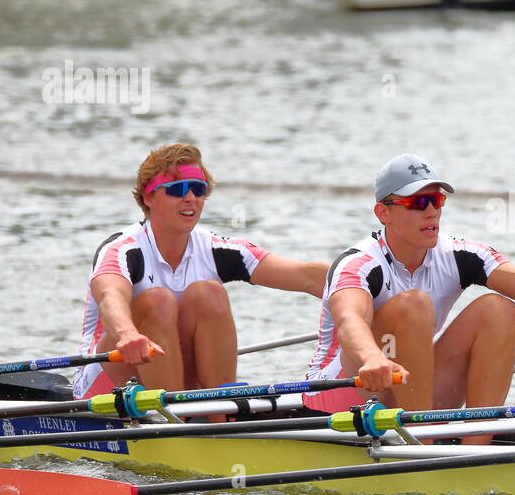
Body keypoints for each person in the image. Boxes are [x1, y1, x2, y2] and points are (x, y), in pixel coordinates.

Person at [304, 154, 515, 445]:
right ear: (383, 213)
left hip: (406, 386)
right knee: (414, 304)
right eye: (418, 203)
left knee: (499, 309)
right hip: (344, 393)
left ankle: (474, 450)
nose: (432, 212)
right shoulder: (358, 264)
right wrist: (372, 357)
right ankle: (423, 444)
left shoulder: (460, 255)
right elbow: (350, 321)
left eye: (437, 201)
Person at [74, 143, 329, 400]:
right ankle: (181, 417)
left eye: (198, 189)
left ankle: (217, 413)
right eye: (177, 190)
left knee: (209, 293)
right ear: (147, 198)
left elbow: (308, 277)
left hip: (172, 381)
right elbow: (109, 296)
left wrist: (364, 289)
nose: (190, 198)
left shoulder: (217, 249)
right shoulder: (123, 249)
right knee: (157, 300)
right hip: (106, 382)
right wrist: (127, 333)